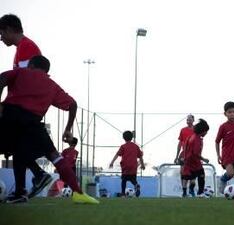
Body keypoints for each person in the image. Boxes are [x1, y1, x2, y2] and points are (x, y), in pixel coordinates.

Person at [0, 55, 98, 204]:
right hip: (34, 123)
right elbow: (73, 104)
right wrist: (68, 129)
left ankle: (34, 179)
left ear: (31, 65)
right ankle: (78, 192)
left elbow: (2, 77)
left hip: (11, 117)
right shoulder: (51, 85)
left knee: (16, 150)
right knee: (53, 155)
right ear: (46, 71)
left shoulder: (21, 72)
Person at [0, 14, 51, 198]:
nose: (1, 37)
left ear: (9, 29)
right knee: (17, 147)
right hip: (22, 107)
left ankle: (36, 177)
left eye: (1, 33)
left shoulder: (27, 47)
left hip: (22, 109)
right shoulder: (22, 48)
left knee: (13, 145)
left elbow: (24, 82)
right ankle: (29, 183)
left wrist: (5, 106)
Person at [109, 131, 145, 197]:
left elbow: (117, 155)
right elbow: (140, 157)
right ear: (132, 138)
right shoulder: (136, 146)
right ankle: (136, 185)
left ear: (123, 138)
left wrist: (112, 162)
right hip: (133, 166)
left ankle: (123, 194)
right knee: (133, 179)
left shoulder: (123, 146)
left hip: (125, 166)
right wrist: (142, 165)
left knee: (124, 180)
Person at [181, 119, 210, 198]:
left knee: (187, 177)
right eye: (206, 131)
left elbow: (186, 148)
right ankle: (200, 193)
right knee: (201, 175)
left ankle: (185, 193)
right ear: (203, 131)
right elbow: (195, 153)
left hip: (188, 160)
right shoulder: (197, 139)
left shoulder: (191, 136)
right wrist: (204, 159)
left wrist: (184, 157)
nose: (206, 133)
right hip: (194, 161)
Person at [174, 114, 196, 197]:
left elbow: (199, 142)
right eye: (187, 119)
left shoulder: (196, 130)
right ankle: (184, 192)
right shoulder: (183, 130)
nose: (188, 121)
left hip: (194, 155)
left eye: (190, 119)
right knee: (183, 173)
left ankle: (191, 189)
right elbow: (180, 143)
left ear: (193, 120)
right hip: (184, 154)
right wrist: (176, 156)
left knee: (193, 173)